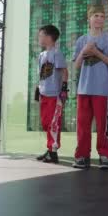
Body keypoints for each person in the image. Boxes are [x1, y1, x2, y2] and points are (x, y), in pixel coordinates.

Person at [72, 4, 108, 170]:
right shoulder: (81, 40)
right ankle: (82, 155)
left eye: (102, 16)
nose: (99, 19)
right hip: (84, 89)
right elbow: (76, 65)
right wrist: (85, 50)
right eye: (95, 16)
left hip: (101, 89)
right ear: (89, 19)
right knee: (83, 125)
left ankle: (105, 155)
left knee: (102, 125)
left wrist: (97, 53)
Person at [35, 25, 69, 164]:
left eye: (41, 35)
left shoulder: (57, 53)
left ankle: (53, 152)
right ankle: (49, 149)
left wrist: (64, 89)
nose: (39, 38)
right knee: (45, 123)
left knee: (53, 123)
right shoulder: (41, 55)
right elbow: (41, 75)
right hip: (44, 93)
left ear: (49, 37)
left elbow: (65, 72)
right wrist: (38, 88)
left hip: (54, 94)